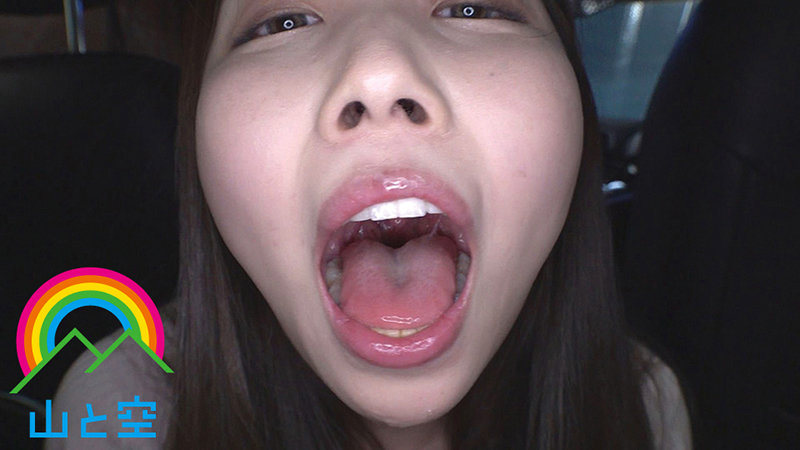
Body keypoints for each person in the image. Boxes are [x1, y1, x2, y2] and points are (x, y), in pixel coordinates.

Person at [50, 0, 691, 448]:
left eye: (473, 8)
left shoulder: (643, 408)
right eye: (284, 21)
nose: (379, 73)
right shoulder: (118, 413)